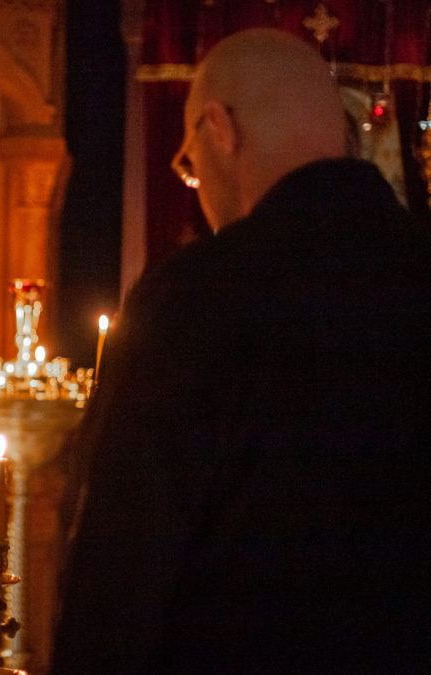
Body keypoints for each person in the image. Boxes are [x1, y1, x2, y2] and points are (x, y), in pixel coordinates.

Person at [51, 28, 431, 672]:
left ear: (219, 128)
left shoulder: (192, 298)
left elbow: (119, 576)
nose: (196, 187)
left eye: (190, 165)